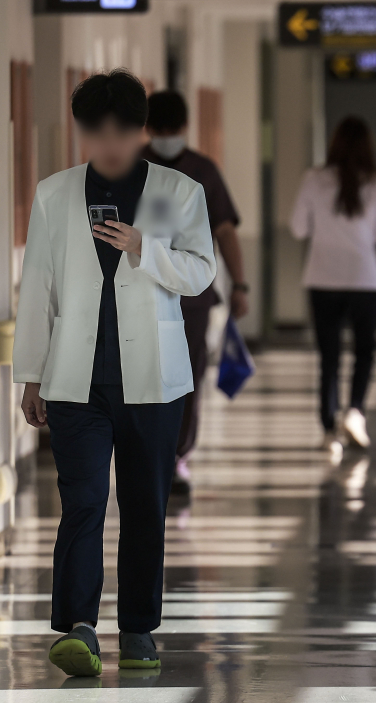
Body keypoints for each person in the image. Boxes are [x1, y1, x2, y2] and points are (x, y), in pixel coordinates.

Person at [13, 70, 216, 676]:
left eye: (121, 130)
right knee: (83, 501)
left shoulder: (176, 192)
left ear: (139, 130)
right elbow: (37, 291)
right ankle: (78, 627)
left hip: (154, 381)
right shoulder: (55, 194)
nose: (108, 143)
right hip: (77, 379)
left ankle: (138, 631)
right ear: (82, 131)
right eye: (96, 131)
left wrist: (142, 248)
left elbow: (201, 271)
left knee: (146, 504)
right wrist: (30, 375)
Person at [142, 91, 249, 496]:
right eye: (161, 129)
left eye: (173, 130)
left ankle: (176, 456)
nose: (168, 136)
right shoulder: (134, 168)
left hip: (191, 297)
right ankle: (149, 453)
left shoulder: (203, 171)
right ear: (148, 128)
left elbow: (225, 231)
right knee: (144, 373)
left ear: (185, 129)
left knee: (186, 373)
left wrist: (239, 284)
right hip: (142, 293)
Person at [289, 116, 376, 455]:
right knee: (365, 352)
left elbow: (297, 228)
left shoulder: (313, 179)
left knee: (329, 357)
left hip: (323, 278)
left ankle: (327, 428)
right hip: (364, 279)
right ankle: (355, 411)